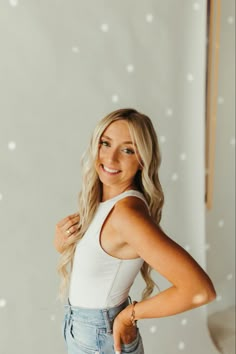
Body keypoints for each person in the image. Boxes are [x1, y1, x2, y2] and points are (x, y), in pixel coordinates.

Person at [54, 108, 216, 354]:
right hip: (84, 331)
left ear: (142, 159)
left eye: (127, 150)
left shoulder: (127, 214)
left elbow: (199, 290)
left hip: (100, 338)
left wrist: (129, 315)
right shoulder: (103, 203)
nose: (110, 158)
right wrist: (63, 243)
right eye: (106, 144)